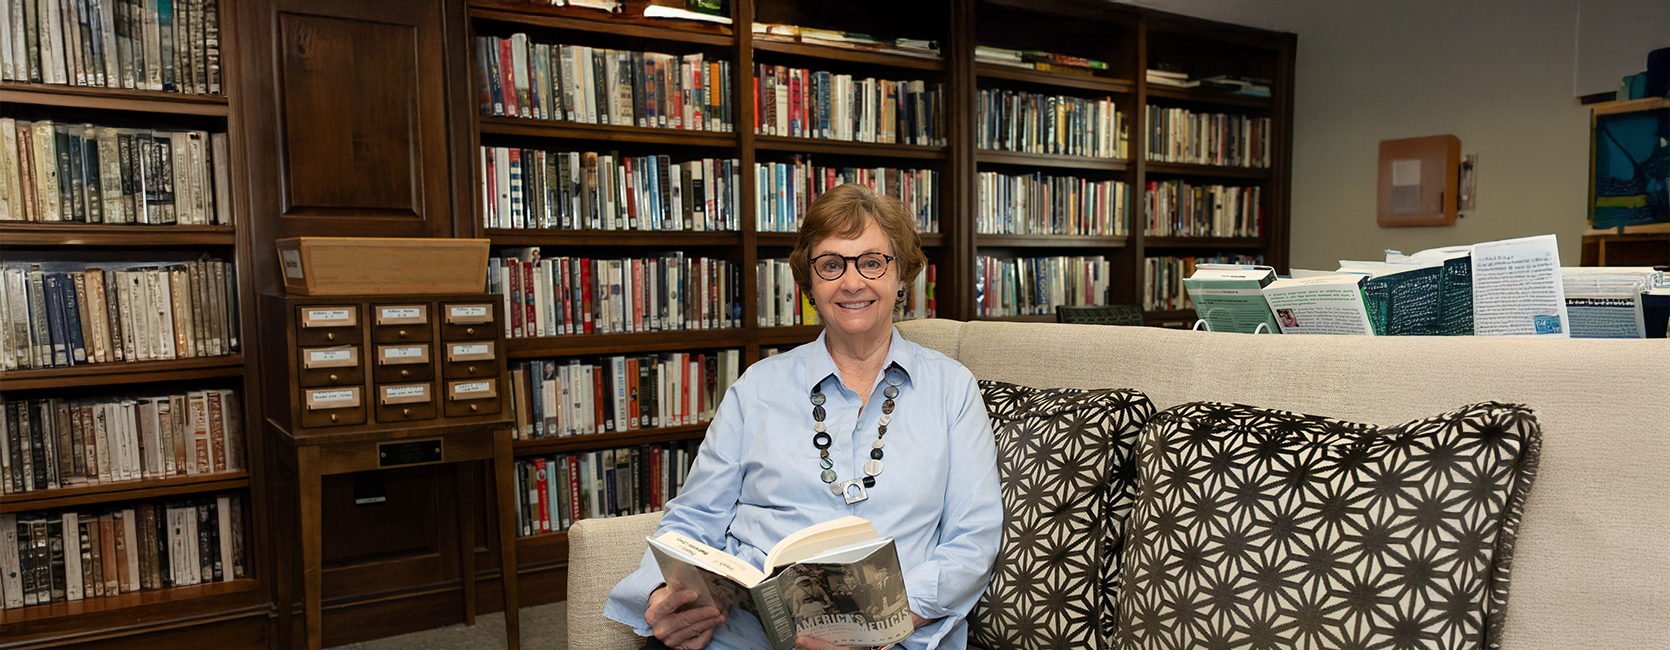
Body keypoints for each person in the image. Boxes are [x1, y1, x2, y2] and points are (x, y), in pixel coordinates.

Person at [604, 183, 1003, 650]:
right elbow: (692, 518)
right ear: (810, 282)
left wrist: (873, 627)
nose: (852, 283)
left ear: (902, 276)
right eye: (831, 265)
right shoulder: (757, 387)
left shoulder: (951, 388)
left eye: (872, 262)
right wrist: (667, 594)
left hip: (894, 634)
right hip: (744, 633)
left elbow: (972, 540)